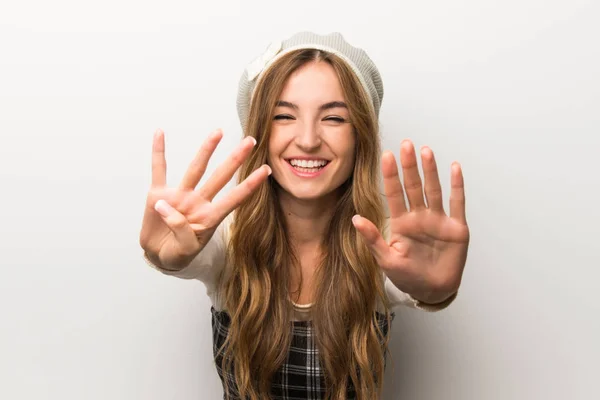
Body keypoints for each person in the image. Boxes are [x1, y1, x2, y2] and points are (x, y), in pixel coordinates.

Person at [139, 31, 470, 400]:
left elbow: (419, 282)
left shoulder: (385, 249)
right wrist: (163, 254)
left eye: (333, 118)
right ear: (260, 133)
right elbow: (187, 255)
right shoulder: (228, 240)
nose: (309, 139)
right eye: (284, 116)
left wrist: (435, 290)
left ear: (360, 135)